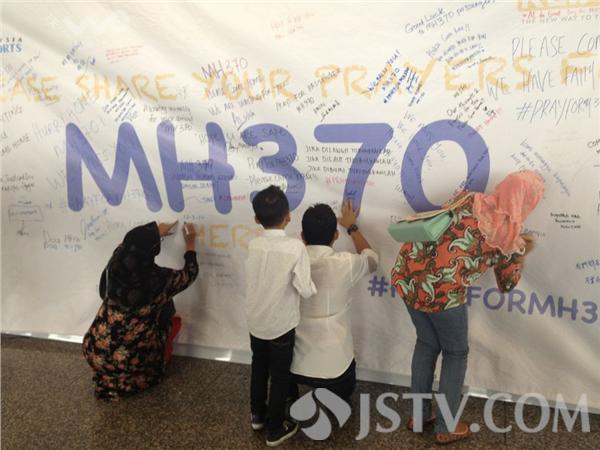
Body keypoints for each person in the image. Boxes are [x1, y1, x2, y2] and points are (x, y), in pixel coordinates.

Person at [391, 171, 544, 445]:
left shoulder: (469, 198)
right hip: (443, 293)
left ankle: (418, 416)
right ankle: (446, 426)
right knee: (455, 353)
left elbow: (442, 227)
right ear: (526, 201)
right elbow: (507, 284)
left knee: (426, 343)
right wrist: (520, 255)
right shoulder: (509, 238)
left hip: (408, 274)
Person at [83, 221, 198, 401]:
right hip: (127, 361)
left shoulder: (116, 263)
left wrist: (153, 234)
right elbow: (190, 273)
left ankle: (111, 376)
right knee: (166, 308)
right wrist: (190, 244)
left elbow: (125, 244)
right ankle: (138, 375)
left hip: (94, 349)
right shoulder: (160, 280)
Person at [245, 185, 316, 447]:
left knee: (259, 367)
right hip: (281, 324)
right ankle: (275, 428)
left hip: (256, 320)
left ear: (256, 219)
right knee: (280, 374)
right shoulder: (295, 247)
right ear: (288, 216)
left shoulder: (253, 244)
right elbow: (305, 289)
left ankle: (257, 415)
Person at [290, 200, 378, 404]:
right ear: (336, 235)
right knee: (343, 394)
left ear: (302, 236)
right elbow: (372, 260)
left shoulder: (290, 262)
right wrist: (352, 227)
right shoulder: (345, 263)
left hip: (293, 366)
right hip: (335, 368)